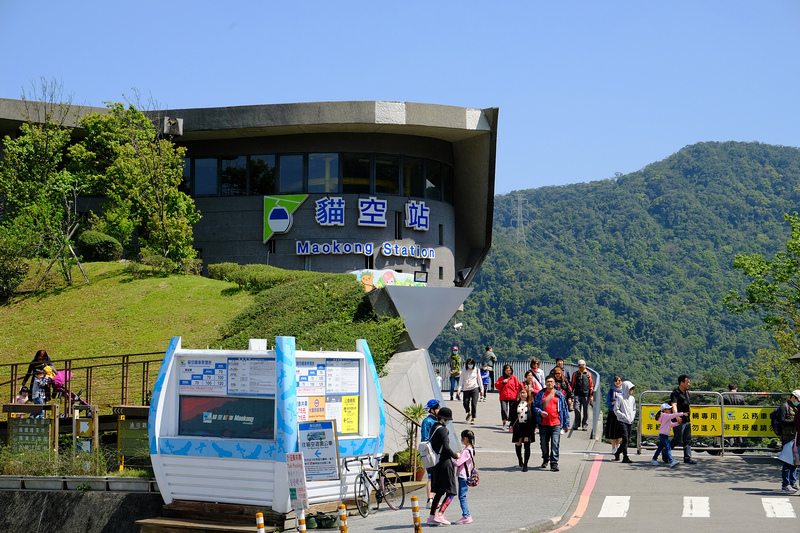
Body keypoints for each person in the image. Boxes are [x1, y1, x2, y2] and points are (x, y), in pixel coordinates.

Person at [427, 407, 459, 526]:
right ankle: (440, 514)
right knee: (451, 492)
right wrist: (456, 455)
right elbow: (446, 448)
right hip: (444, 463)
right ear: (444, 419)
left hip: (435, 463)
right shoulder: (443, 430)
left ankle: (431, 516)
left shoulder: (433, 428)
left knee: (439, 492)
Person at [534, 376, 570, 471]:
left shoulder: (559, 395)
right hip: (543, 423)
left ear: (554, 383)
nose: (549, 383)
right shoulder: (541, 394)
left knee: (555, 443)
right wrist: (540, 412)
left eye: (551, 382)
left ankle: (554, 463)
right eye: (548, 382)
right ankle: (545, 459)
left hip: (556, 423)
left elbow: (565, 409)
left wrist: (566, 424)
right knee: (544, 444)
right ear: (545, 383)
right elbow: (535, 406)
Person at [776, 390, 800, 492]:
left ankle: (792, 482)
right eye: (798, 399)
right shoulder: (784, 407)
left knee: (794, 461)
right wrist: (794, 422)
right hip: (787, 437)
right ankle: (785, 484)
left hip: (795, 437)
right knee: (787, 461)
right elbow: (782, 421)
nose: (798, 401)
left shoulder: (796, 408)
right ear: (793, 397)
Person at [670, 375, 696, 464]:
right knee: (677, 439)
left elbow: (688, 405)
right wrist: (677, 416)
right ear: (681, 382)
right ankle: (666, 452)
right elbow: (674, 405)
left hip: (687, 419)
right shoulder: (675, 393)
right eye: (687, 382)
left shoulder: (687, 393)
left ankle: (687, 458)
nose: (689, 384)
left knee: (687, 439)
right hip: (679, 420)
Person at [650, 403, 685, 468]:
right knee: (668, 447)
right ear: (665, 410)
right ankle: (671, 461)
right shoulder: (665, 415)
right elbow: (673, 415)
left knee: (660, 448)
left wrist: (678, 423)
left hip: (663, 435)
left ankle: (654, 459)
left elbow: (671, 424)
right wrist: (682, 413)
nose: (670, 410)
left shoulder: (665, 416)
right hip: (663, 435)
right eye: (669, 409)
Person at [453, 429, 475, 525]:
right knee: (462, 496)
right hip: (467, 474)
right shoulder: (471, 449)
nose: (461, 439)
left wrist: (453, 459)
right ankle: (466, 515)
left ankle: (466, 516)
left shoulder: (466, 451)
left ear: (465, 438)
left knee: (462, 496)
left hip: (463, 475)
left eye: (462, 438)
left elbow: (458, 463)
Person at [420, 399, 440, 509]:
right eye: (437, 408)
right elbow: (425, 438)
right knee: (431, 477)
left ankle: (433, 499)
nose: (439, 410)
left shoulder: (436, 420)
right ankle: (430, 500)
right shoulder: (427, 421)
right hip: (430, 452)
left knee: (435, 477)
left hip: (436, 452)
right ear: (432, 410)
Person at [512, 387, 536, 471]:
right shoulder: (515, 403)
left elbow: (534, 416)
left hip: (528, 426)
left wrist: (534, 427)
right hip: (518, 426)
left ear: (527, 394)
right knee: (518, 443)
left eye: (524, 392)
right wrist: (512, 425)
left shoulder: (531, 403)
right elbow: (512, 415)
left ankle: (526, 464)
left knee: (527, 444)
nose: (522, 394)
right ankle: (520, 460)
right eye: (521, 392)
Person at [613, 380, 636, 463]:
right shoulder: (620, 397)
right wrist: (623, 416)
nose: (631, 391)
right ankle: (625, 457)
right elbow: (616, 409)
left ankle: (618, 452)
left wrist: (632, 417)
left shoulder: (632, 399)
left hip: (630, 421)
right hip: (622, 421)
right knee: (625, 439)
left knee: (627, 439)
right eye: (630, 389)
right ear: (626, 389)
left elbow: (634, 409)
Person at [495, 364, 523, 430]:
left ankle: (511, 423)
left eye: (509, 370)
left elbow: (517, 387)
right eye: (507, 370)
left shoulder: (514, 378)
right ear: (504, 371)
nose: (508, 372)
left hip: (512, 396)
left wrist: (518, 395)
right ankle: (504, 423)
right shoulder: (501, 378)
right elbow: (497, 386)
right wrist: (502, 382)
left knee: (512, 410)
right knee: (504, 410)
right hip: (503, 396)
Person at [571, 359, 594, 431]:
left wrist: (591, 395)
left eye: (582, 366)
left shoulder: (588, 374)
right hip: (577, 394)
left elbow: (591, 385)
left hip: (586, 394)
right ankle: (577, 423)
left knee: (586, 410)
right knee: (576, 409)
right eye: (579, 366)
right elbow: (572, 384)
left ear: (585, 366)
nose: (581, 368)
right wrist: (571, 395)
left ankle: (584, 425)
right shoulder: (575, 374)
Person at [456, 358, 481, 425]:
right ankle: (469, 412)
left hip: (475, 388)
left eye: (471, 364)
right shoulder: (464, 371)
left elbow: (479, 380)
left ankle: (473, 418)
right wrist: (459, 389)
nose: (470, 365)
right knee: (465, 403)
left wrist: (482, 390)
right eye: (469, 364)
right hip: (466, 389)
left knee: (474, 404)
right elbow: (461, 380)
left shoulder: (477, 370)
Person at [605, 376, 623, 456]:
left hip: (622, 412)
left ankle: (618, 443)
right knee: (612, 431)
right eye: (616, 380)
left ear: (622, 382)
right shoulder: (611, 391)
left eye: (619, 380)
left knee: (622, 431)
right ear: (613, 382)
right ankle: (613, 447)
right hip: (612, 412)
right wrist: (613, 403)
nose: (617, 382)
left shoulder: (624, 391)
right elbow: (608, 403)